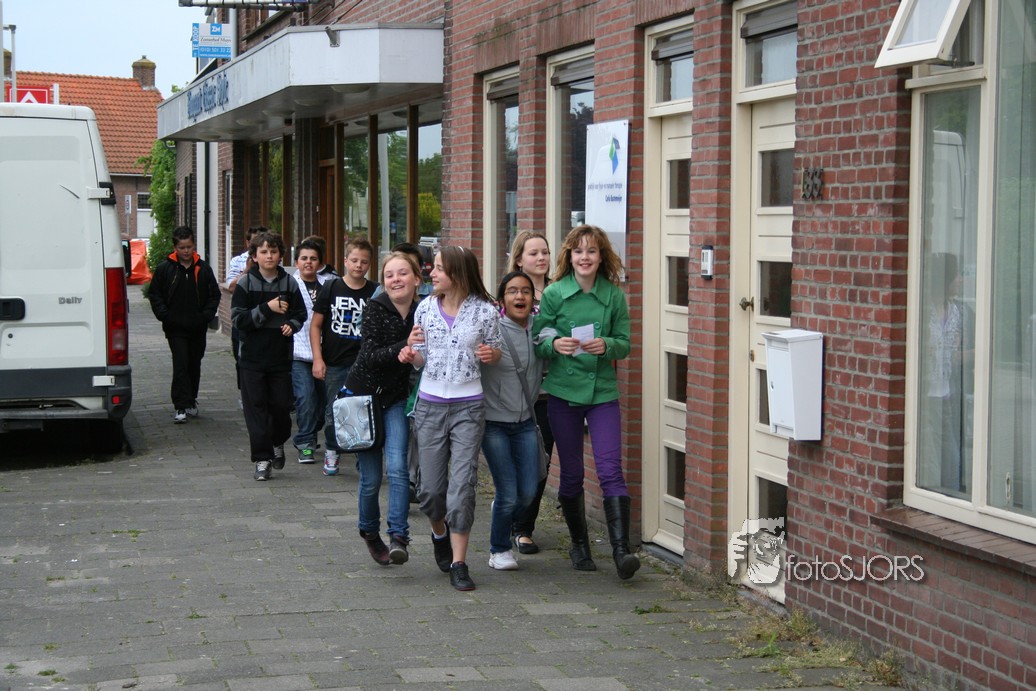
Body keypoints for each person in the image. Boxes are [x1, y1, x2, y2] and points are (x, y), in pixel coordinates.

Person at [532, 224, 640, 580]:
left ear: (601, 256)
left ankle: (621, 550)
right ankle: (579, 544)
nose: (585, 257)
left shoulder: (613, 295)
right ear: (569, 256)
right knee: (572, 473)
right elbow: (539, 337)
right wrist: (555, 344)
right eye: (578, 251)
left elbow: (625, 342)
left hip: (602, 393)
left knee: (610, 469)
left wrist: (607, 345)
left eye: (591, 251)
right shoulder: (554, 293)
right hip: (563, 391)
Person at [398, 245, 502, 591]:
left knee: (462, 487)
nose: (432, 273)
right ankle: (438, 532)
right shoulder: (425, 308)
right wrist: (410, 354)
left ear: (457, 273)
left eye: (439, 268)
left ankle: (459, 562)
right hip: (429, 406)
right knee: (429, 491)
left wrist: (491, 354)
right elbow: (420, 358)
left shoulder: (486, 311)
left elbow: (496, 349)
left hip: (468, 407)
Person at [345, 251, 423, 565]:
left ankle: (399, 536)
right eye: (389, 275)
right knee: (371, 478)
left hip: (394, 399)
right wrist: (403, 347)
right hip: (362, 398)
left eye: (402, 273)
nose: (395, 280)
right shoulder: (375, 308)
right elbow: (369, 356)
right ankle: (369, 531)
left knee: (399, 468)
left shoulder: (422, 311)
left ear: (417, 279)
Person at [480, 271, 544, 571]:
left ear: (533, 298)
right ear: (502, 299)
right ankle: (499, 549)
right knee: (508, 491)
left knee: (528, 492)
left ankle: (503, 510)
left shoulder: (541, 329)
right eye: (513, 291)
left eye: (526, 291)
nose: (520, 296)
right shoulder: (491, 330)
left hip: (526, 422)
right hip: (493, 422)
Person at [231, 231, 307, 481]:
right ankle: (262, 459)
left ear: (280, 255)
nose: (269, 256)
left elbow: (301, 314)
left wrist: (292, 325)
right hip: (251, 357)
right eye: (263, 252)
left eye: (273, 251)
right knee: (256, 409)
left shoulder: (289, 283)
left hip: (280, 357)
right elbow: (239, 320)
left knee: (281, 408)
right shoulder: (245, 283)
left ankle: (277, 442)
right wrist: (267, 308)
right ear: (254, 256)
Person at [311, 236, 378, 476]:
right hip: (335, 362)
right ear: (345, 260)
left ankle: (363, 455)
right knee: (334, 409)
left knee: (364, 410)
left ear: (370, 264)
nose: (359, 265)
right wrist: (318, 358)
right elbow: (316, 325)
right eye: (354, 260)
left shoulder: (375, 291)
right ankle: (332, 449)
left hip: (365, 364)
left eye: (364, 261)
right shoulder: (331, 288)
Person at [507, 231, 555, 554]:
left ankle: (524, 527)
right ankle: (511, 513)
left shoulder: (559, 292)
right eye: (534, 253)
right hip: (520, 393)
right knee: (518, 461)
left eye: (545, 252)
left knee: (541, 461)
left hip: (552, 390)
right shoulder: (513, 294)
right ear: (519, 259)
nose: (541, 258)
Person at [148, 225, 222, 423]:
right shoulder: (165, 269)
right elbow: (155, 294)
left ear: (193, 245)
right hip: (175, 328)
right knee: (180, 363)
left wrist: (205, 316)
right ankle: (180, 405)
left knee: (194, 363)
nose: (186, 251)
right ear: (175, 248)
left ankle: (191, 400)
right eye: (182, 248)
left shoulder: (203, 269)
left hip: (197, 326)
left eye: (189, 247)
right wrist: (165, 315)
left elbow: (214, 295)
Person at [290, 239, 333, 464]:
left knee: (324, 403)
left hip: (326, 353)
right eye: (304, 258)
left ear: (320, 263)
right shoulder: (289, 284)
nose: (308, 262)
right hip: (298, 352)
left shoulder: (329, 285)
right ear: (296, 262)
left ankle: (311, 431)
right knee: (305, 398)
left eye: (313, 259)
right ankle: (305, 442)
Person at [227, 226, 263, 392]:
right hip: (244, 318)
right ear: (248, 243)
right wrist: (247, 270)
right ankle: (245, 394)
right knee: (241, 358)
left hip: (265, 319)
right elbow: (231, 288)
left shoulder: (272, 260)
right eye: (255, 241)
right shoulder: (238, 261)